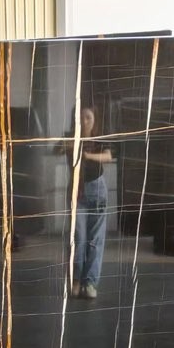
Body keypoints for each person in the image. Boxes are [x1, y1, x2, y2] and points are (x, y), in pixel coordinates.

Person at [69, 107, 111, 299]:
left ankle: (90, 282)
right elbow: (57, 149)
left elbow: (108, 156)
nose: (85, 121)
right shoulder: (70, 138)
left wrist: (88, 156)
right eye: (81, 117)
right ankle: (76, 280)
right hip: (77, 191)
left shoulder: (98, 139)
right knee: (78, 238)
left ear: (94, 120)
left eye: (89, 117)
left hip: (97, 189)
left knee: (95, 239)